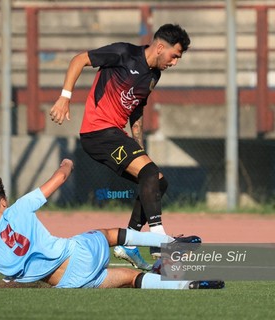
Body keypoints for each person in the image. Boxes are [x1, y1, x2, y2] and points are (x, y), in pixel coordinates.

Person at [49, 24, 200, 270]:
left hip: (115, 135)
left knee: (156, 181)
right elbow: (79, 60)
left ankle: (129, 242)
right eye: (175, 56)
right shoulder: (123, 53)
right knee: (149, 174)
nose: (174, 63)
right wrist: (65, 97)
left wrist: (139, 148)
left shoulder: (154, 76)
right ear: (160, 47)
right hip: (97, 132)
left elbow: (136, 108)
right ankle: (159, 241)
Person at [0, 158, 224, 290]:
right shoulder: (19, 208)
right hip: (77, 253)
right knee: (107, 234)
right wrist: (67, 163)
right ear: (2, 201)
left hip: (69, 282)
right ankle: (167, 242)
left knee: (131, 279)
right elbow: (58, 179)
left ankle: (185, 285)